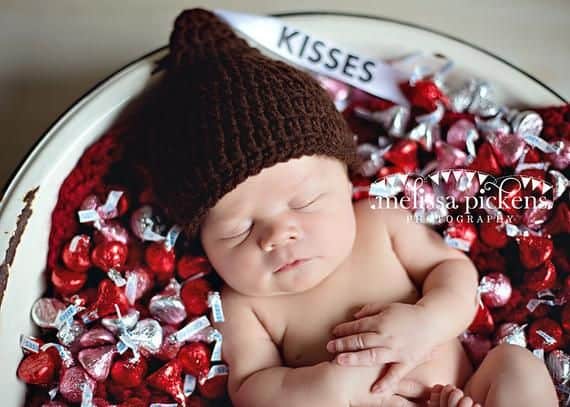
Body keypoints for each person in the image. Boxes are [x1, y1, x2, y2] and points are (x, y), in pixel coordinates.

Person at [143, 8, 559, 407]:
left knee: (516, 365)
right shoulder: (244, 304)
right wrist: (327, 387)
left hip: (468, 390)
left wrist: (429, 322)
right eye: (238, 229)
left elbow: (453, 272)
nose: (277, 235)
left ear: (347, 180)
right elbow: (250, 388)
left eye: (304, 202)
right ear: (201, 237)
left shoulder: (380, 223)